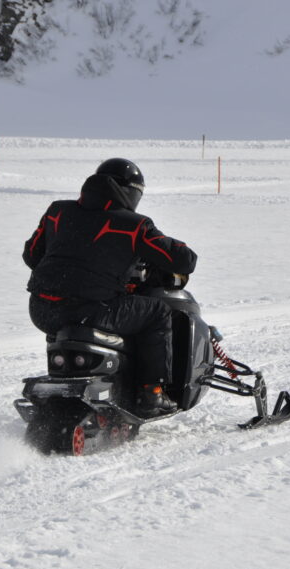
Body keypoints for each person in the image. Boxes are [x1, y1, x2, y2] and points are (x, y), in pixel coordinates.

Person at [23, 158, 197, 417]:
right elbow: (183, 260)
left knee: (90, 310)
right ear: (131, 191)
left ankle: (76, 375)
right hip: (89, 309)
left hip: (41, 310)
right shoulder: (135, 225)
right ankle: (152, 393)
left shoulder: (57, 212)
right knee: (158, 313)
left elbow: (32, 255)